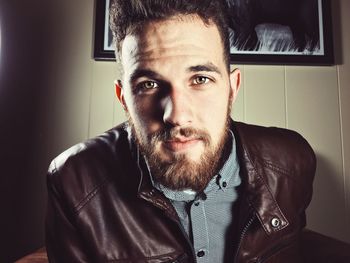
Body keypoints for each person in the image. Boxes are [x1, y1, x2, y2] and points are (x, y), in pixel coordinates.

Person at [45, 0, 316, 262]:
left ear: (232, 88)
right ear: (124, 99)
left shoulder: (292, 161)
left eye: (200, 79)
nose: (176, 115)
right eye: (148, 85)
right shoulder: (74, 183)